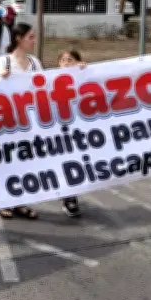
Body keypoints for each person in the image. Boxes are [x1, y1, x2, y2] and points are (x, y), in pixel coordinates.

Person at [0, 22, 40, 220]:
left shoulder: (35, 63)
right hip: (7, 123)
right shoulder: (4, 62)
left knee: (24, 163)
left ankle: (19, 202)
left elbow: (45, 88)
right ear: (18, 39)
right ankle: (3, 202)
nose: (34, 41)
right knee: (6, 163)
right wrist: (2, 81)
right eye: (31, 37)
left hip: (28, 123)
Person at [57, 49, 88, 217]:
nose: (67, 63)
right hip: (57, 130)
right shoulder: (50, 80)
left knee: (75, 164)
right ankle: (66, 196)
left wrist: (85, 71)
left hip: (77, 129)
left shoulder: (82, 77)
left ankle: (70, 197)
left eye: (70, 60)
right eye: (63, 60)